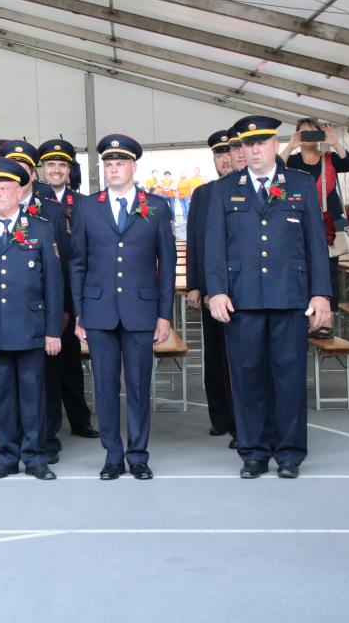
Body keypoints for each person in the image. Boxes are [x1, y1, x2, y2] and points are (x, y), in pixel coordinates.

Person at [205, 116, 331, 480]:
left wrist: (321, 294)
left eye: (261, 143)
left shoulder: (300, 184)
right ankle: (253, 451)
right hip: (242, 299)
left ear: (276, 145)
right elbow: (215, 246)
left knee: (289, 378)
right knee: (247, 379)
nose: (254, 150)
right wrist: (217, 291)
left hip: (289, 297)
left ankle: (289, 453)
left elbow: (315, 243)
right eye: (248, 144)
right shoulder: (225, 189)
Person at [70, 134, 176, 480]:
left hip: (140, 311)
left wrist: (164, 314)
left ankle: (138, 455)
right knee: (104, 387)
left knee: (138, 386)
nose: (114, 169)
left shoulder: (156, 206)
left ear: (133, 167)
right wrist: (79, 312)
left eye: (120, 164)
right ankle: (112, 455)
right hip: (98, 311)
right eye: (109, 165)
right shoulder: (88, 207)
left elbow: (167, 264)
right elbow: (78, 263)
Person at [0, 156, 62, 480]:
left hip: (30, 328)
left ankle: (35, 457)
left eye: (4, 188)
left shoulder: (40, 229)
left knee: (33, 396)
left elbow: (53, 285)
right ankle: (5, 457)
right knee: (0, 398)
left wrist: (53, 331)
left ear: (20, 192)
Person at [37, 138, 97, 447]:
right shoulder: (33, 202)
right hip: (43, 297)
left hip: (75, 295)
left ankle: (80, 420)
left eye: (62, 165)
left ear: (69, 169)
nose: (56, 170)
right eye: (51, 165)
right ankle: (48, 425)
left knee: (71, 362)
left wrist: (78, 304)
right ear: (43, 169)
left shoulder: (84, 203)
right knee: (45, 365)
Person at [283, 118, 349, 335]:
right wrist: (290, 145)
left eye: (312, 132)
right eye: (303, 132)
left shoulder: (330, 158)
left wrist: (335, 142)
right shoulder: (292, 161)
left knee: (328, 270)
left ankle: (326, 321)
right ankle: (303, 317)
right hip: (298, 222)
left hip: (328, 223)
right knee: (300, 268)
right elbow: (275, 169)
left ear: (320, 135)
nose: (308, 136)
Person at [186, 131, 237, 447]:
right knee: (215, 355)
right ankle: (220, 417)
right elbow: (195, 239)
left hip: (242, 289)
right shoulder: (203, 194)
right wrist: (194, 284)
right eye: (219, 155)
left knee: (240, 357)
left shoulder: (247, 189)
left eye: (229, 153)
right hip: (211, 289)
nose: (225, 160)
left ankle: (242, 418)